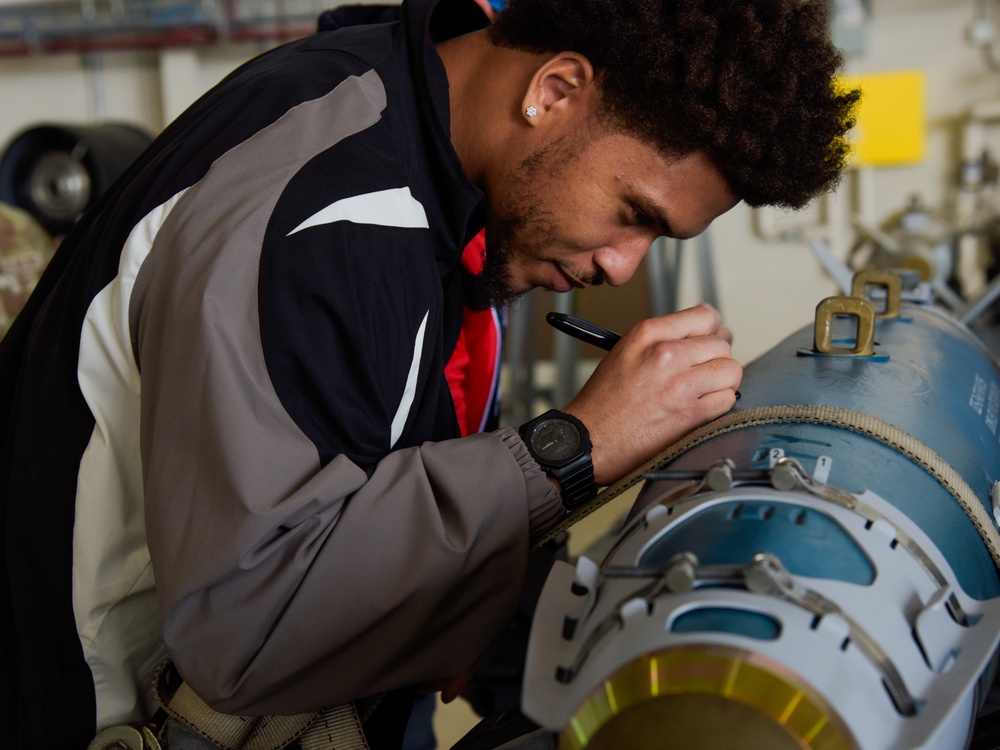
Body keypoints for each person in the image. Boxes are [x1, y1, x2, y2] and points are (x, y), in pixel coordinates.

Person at [0, 0, 857, 747]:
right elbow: (248, 626)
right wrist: (573, 447)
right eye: (633, 215)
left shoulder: (413, 133)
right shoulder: (332, 212)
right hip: (79, 710)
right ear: (553, 91)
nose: (622, 266)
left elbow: (356, 473)